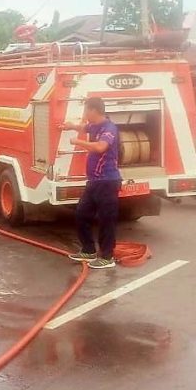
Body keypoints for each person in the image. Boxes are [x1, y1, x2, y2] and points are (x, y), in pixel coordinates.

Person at [60, 97, 122, 269]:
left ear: (94, 110)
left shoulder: (109, 128)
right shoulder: (95, 126)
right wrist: (70, 126)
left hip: (107, 181)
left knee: (106, 220)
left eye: (86, 110)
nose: (85, 114)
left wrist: (77, 141)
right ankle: (88, 250)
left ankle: (107, 257)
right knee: (81, 214)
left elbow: (101, 147)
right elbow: (83, 127)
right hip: (94, 181)